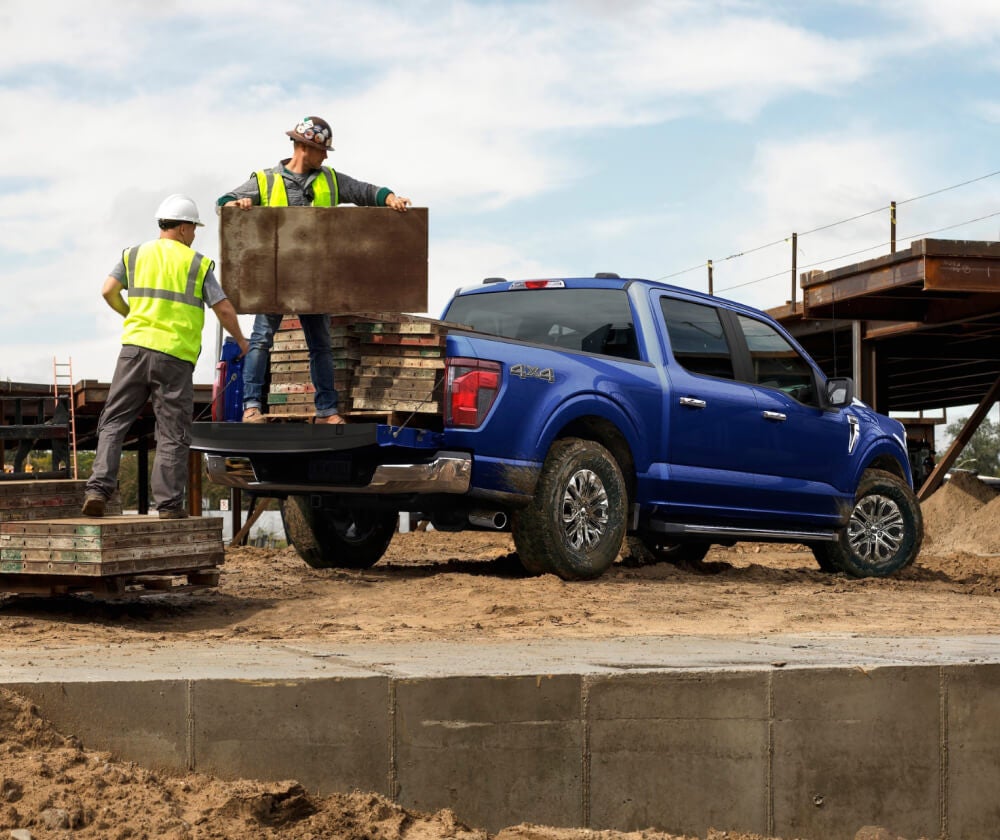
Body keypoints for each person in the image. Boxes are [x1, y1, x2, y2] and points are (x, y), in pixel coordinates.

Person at [217, 115, 412, 425]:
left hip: (315, 279)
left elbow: (364, 191)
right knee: (262, 340)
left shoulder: (331, 180)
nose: (325, 156)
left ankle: (326, 411)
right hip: (276, 276)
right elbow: (224, 201)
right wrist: (234, 206)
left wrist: (390, 198)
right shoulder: (266, 181)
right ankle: (252, 407)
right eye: (323, 151)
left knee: (320, 344)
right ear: (305, 147)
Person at [82, 195, 249, 519]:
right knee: (172, 432)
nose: (195, 235)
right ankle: (169, 506)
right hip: (174, 356)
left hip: (134, 350)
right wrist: (242, 342)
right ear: (185, 228)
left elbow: (108, 290)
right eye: (195, 228)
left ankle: (97, 490)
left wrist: (131, 314)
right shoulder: (196, 263)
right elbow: (223, 307)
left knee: (114, 422)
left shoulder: (134, 255)